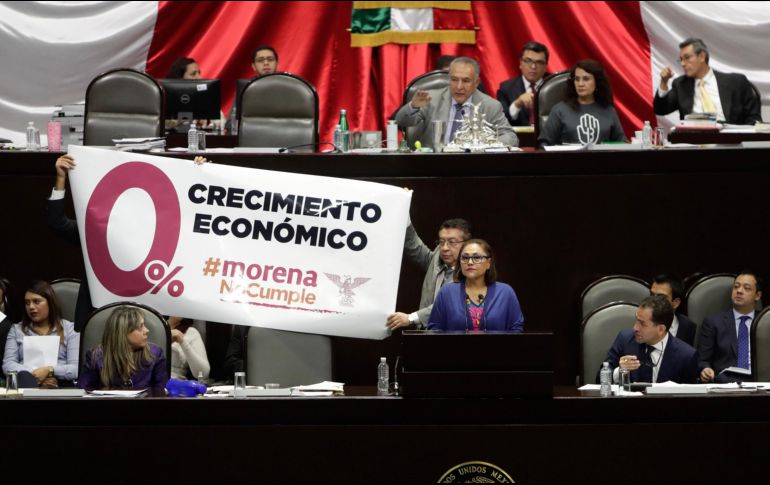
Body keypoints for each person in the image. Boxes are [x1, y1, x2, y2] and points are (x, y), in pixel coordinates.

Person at [47, 154, 209, 332]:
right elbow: (58, 223)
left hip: (147, 322)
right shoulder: (99, 231)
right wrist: (61, 178)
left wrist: (201, 175)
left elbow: (197, 228)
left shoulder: (166, 236)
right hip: (102, 319)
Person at [395, 57, 518, 150]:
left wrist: (484, 145)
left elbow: (510, 137)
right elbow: (401, 121)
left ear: (476, 82)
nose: (459, 87)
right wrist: (413, 106)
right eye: (454, 80)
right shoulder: (431, 99)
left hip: (473, 167)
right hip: (433, 165)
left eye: (466, 81)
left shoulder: (490, 105)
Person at [386, 217, 472, 330]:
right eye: (441, 242)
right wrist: (404, 218)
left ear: (467, 245)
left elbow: (446, 305)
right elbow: (415, 248)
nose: (445, 248)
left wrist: (410, 318)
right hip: (427, 336)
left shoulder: (472, 272)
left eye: (452, 242)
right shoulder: (438, 255)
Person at [653, 38, 762, 125]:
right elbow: (660, 110)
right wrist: (663, 82)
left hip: (730, 141)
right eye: (681, 59)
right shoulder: (680, 84)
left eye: (687, 58)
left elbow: (754, 120)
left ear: (701, 56)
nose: (683, 64)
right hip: (695, 143)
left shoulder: (736, 82)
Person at [599, 294, 698, 384]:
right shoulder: (625, 339)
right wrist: (619, 371)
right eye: (637, 320)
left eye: (642, 324)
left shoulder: (686, 356)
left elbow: (689, 398)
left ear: (661, 329)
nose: (635, 328)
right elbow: (599, 380)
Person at [427, 239, 524, 332]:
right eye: (465, 258)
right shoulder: (446, 292)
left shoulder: (505, 292)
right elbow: (435, 330)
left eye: (476, 258)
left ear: (488, 263)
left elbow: (516, 329)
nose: (470, 262)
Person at [2, 280, 79, 388]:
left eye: (36, 301)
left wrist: (49, 370)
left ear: (50, 302)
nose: (31, 307)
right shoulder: (16, 330)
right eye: (27, 303)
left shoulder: (70, 329)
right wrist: (36, 375)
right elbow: (8, 365)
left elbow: (76, 368)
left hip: (62, 386)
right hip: (26, 386)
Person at [538, 59, 626, 146]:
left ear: (597, 82)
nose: (580, 84)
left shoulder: (609, 111)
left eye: (586, 79)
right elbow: (544, 143)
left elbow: (622, 144)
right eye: (577, 79)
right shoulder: (560, 110)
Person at [78, 305, 168, 390]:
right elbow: (84, 394)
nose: (147, 330)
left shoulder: (155, 354)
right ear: (123, 333)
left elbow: (161, 394)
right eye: (140, 327)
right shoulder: (95, 357)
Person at [698, 271, 762, 383]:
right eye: (736, 287)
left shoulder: (765, 322)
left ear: (757, 295)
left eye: (746, 288)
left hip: (760, 382)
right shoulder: (713, 323)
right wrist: (705, 369)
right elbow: (702, 360)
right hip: (725, 384)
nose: (739, 291)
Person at [225, 45, 279, 133]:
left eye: (270, 59)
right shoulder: (245, 88)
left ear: (277, 63)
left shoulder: (290, 87)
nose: (266, 63)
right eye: (260, 60)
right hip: (253, 137)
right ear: (253, 66)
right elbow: (231, 124)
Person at [497, 41, 550, 126]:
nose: (533, 66)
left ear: (545, 66)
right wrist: (517, 104)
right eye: (528, 61)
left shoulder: (555, 86)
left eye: (539, 62)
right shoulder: (506, 88)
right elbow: (501, 121)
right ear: (520, 63)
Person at [649, 273, 696, 346]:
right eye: (651, 295)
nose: (652, 301)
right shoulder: (641, 321)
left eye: (661, 297)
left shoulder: (687, 326)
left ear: (675, 303)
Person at [168, 316, 210, 381]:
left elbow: (203, 373)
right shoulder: (153, 325)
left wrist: (183, 342)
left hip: (176, 383)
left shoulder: (191, 332)